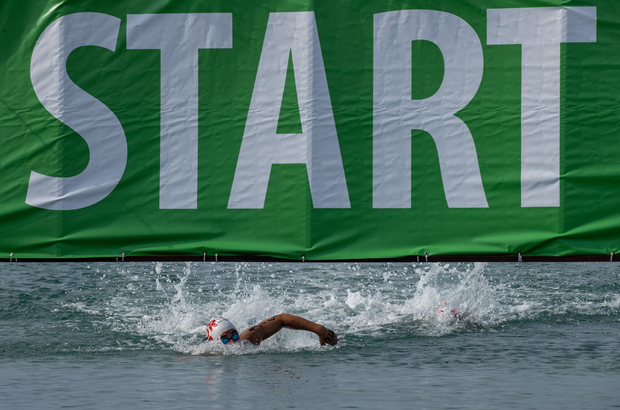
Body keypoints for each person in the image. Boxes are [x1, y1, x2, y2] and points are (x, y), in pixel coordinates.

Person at [205, 314, 338, 346]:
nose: (234, 343)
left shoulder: (249, 338)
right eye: (225, 339)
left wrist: (318, 329)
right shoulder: (210, 352)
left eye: (235, 336)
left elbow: (281, 319)